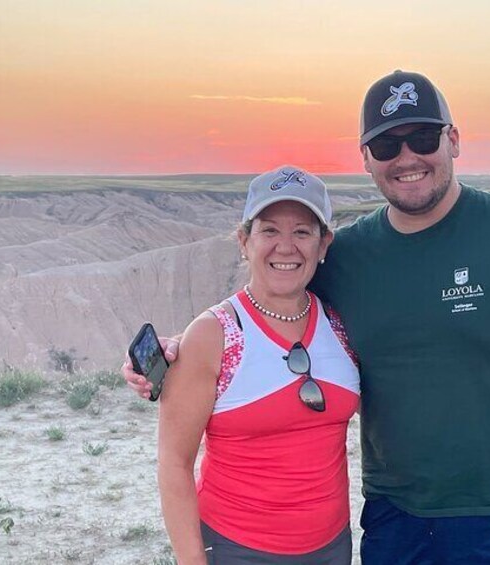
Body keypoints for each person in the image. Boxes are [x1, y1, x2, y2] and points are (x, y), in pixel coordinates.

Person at [127, 70, 490, 564]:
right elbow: (276, 300)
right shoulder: (346, 257)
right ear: (366, 158)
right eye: (388, 146)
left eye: (422, 137)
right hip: (397, 518)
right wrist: (184, 349)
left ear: (453, 140)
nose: (407, 157)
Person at [150, 165, 360, 564]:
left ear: (324, 244)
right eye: (269, 230)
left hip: (332, 548)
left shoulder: (341, 325)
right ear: (244, 241)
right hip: (237, 549)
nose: (286, 246)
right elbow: (174, 463)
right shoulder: (213, 335)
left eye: (302, 231)